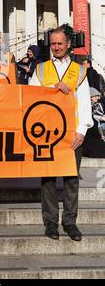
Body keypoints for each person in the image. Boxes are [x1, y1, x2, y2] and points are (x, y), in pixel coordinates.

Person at [29, 26, 93, 241]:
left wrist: (82, 130)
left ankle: (70, 222)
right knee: (47, 179)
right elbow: (32, 97)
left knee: (71, 179)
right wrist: (53, 86)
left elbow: (84, 103)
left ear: (68, 45)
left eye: (60, 43)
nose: (56, 47)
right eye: (53, 44)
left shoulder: (80, 71)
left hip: (72, 134)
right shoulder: (40, 70)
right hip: (47, 133)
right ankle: (50, 223)